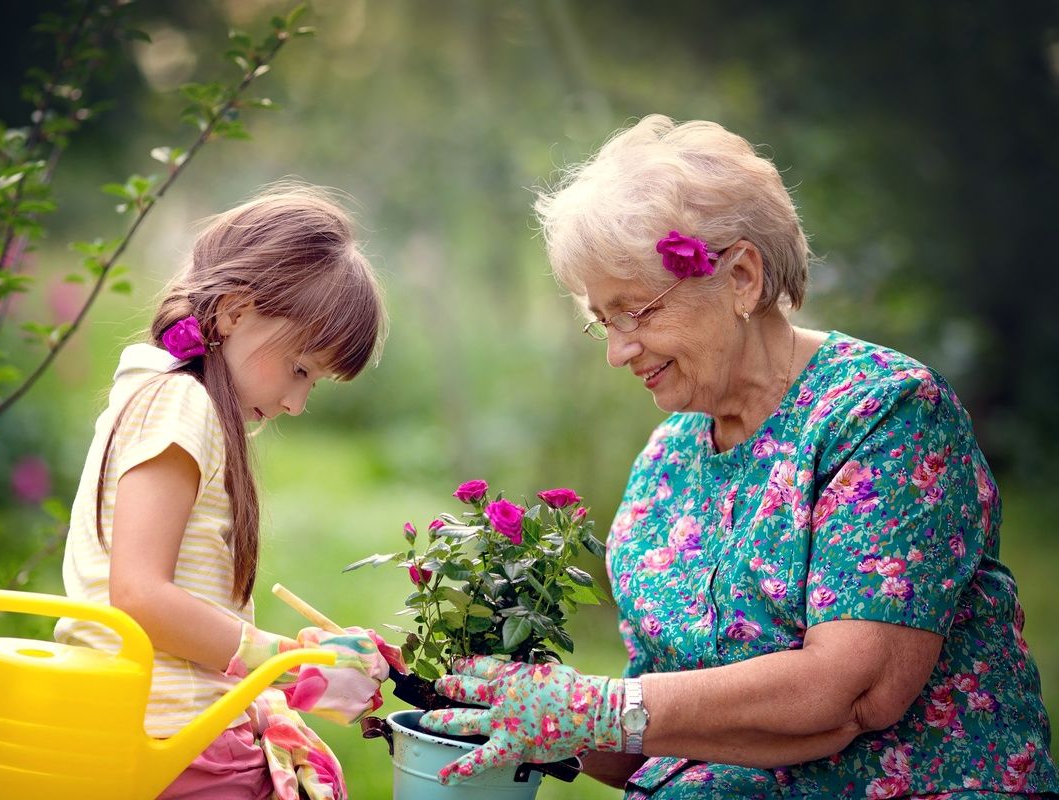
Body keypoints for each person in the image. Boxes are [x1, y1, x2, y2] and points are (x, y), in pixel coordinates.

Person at [420, 116, 1058, 799]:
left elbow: (851, 694)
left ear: (742, 278)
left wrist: (597, 706)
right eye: (604, 321)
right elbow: (653, 737)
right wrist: (473, 703)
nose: (617, 351)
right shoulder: (664, 463)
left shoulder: (884, 413)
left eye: (636, 311)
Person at [54, 184, 400, 800]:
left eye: (313, 385)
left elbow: (176, 597)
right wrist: (283, 667)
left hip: (163, 720)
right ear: (236, 312)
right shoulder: (179, 402)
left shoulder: (176, 399)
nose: (296, 403)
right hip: (168, 735)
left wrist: (298, 657)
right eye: (300, 369)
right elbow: (138, 594)